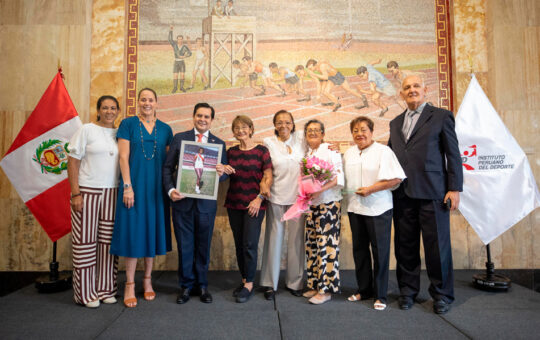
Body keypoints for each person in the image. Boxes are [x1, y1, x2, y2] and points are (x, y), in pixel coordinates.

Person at [388, 75, 463, 314]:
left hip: (434, 192)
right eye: (407, 87)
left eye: (416, 86)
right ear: (402, 94)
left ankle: (442, 295)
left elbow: (453, 154)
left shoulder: (441, 116)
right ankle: (408, 292)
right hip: (403, 194)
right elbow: (389, 157)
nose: (412, 90)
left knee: (436, 248)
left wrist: (454, 188)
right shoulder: (394, 122)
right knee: (405, 246)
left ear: (425, 90)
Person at [110, 88, 174, 308]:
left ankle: (147, 281)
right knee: (132, 233)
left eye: (151, 100)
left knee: (151, 233)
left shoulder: (166, 129)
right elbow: (123, 157)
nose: (147, 103)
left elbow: (169, 164)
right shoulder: (128, 124)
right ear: (138, 102)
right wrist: (127, 186)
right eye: (143, 99)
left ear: (157, 103)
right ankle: (129, 283)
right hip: (134, 187)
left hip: (157, 190)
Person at [162, 103, 228, 305]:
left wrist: (221, 172)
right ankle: (186, 286)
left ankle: (202, 285)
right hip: (182, 204)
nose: (202, 119)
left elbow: (223, 177)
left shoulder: (219, 143)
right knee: (185, 246)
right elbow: (167, 168)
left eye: (207, 117)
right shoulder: (180, 138)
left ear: (212, 120)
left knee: (203, 247)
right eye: (199, 115)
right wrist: (171, 190)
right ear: (193, 117)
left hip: (206, 206)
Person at [343, 116, 406, 311]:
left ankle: (380, 295)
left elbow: (397, 178)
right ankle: (364, 290)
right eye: (355, 130)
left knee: (380, 252)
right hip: (355, 208)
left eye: (363, 129)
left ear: (371, 132)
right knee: (360, 251)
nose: (359, 134)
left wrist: (372, 189)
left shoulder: (383, 151)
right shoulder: (349, 153)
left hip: (378, 208)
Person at [67, 95, 121, 308]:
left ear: (117, 111)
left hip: (112, 193)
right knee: (85, 243)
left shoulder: (120, 134)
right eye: (105, 108)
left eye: (113, 108)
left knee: (107, 244)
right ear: (98, 110)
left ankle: (106, 289)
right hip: (87, 192)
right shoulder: (86, 129)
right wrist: (75, 193)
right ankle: (85, 293)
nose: (109, 111)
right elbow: (72, 162)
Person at [222, 115, 272, 303]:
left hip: (255, 205)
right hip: (234, 203)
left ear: (251, 129)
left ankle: (249, 283)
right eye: (236, 128)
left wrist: (259, 199)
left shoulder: (262, 151)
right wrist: (222, 168)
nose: (240, 130)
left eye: (244, 127)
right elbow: (223, 173)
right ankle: (244, 280)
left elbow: (268, 178)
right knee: (239, 244)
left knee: (250, 244)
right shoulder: (231, 152)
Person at [260, 110, 306, 300]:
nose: (283, 125)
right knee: (273, 240)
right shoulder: (268, 142)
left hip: (298, 198)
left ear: (293, 124)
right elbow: (265, 169)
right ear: (274, 125)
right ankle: (270, 283)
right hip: (276, 196)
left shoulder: (302, 139)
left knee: (296, 241)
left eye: (287, 122)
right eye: (279, 122)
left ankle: (295, 282)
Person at [302, 119, 344, 305]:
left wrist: (320, 189)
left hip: (328, 203)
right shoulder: (308, 153)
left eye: (316, 130)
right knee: (312, 245)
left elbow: (338, 177)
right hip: (312, 205)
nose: (312, 133)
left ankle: (326, 289)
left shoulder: (330, 150)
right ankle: (314, 283)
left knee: (327, 247)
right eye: (309, 130)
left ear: (323, 133)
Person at [168, 26, 192, 93]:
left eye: (181, 39)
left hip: (182, 62)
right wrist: (171, 30)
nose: (180, 40)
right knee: (175, 75)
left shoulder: (184, 46)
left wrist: (185, 56)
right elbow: (169, 39)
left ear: (182, 40)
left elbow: (190, 53)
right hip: (176, 62)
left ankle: (181, 87)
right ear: (177, 40)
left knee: (182, 75)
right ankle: (175, 88)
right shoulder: (174, 45)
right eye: (179, 39)